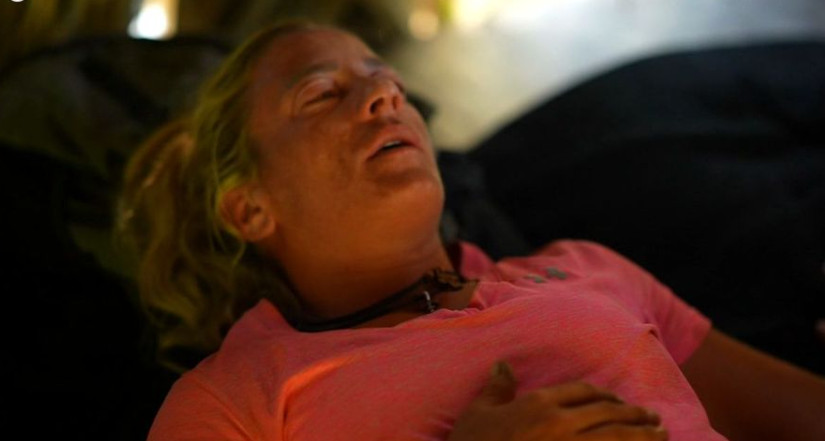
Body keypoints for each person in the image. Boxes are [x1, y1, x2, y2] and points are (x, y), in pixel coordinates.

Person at [119, 22, 825, 441]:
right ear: (250, 208)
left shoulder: (588, 270)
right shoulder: (235, 400)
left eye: (388, 81)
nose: (385, 95)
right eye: (323, 93)